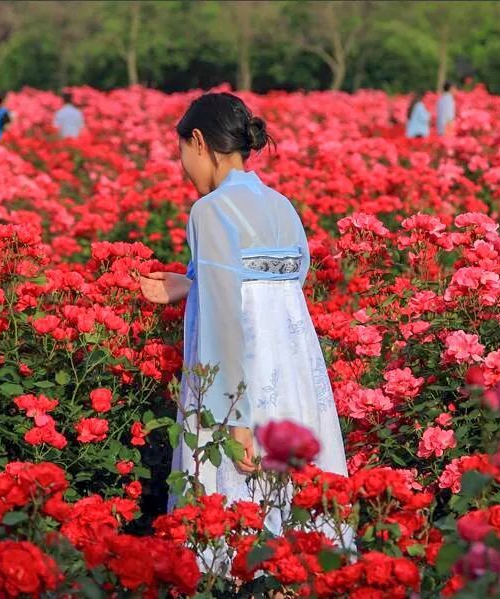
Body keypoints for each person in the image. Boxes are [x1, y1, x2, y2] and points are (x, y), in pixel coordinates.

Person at [140, 93, 347, 534]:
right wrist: (190, 284)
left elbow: (224, 318)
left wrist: (234, 420)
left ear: (198, 141)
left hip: (241, 391)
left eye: (181, 153)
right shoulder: (281, 206)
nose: (183, 167)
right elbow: (279, 288)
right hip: (294, 385)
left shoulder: (210, 210)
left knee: (233, 520)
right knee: (298, 520)